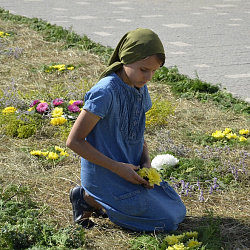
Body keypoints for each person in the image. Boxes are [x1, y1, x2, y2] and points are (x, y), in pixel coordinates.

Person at [66, 28, 186, 232]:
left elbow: (138, 134)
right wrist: (117, 168)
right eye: (143, 69)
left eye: (154, 71)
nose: (149, 77)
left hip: (130, 170)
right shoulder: (105, 92)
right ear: (126, 60)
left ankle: (97, 200)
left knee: (178, 211)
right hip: (106, 171)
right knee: (165, 222)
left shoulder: (140, 88)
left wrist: (146, 162)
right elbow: (74, 141)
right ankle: (88, 196)